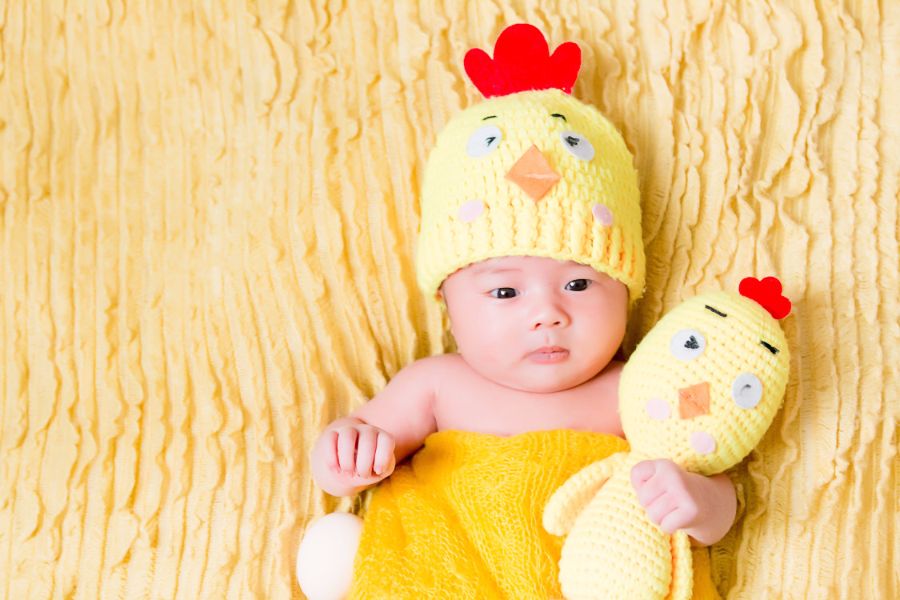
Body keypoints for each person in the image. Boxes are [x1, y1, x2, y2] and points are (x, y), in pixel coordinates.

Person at [298, 24, 734, 599]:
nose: (547, 314)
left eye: (578, 283)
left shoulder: (636, 390)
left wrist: (696, 501)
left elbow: (718, 499)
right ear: (447, 303)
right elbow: (342, 470)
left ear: (626, 293)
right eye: (505, 293)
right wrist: (347, 451)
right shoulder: (435, 385)